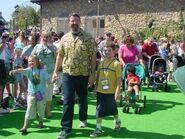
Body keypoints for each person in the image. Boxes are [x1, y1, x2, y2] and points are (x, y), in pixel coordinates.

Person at [52, 13, 96, 139]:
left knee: (82, 99)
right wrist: (55, 71)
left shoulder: (88, 37)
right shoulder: (64, 38)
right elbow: (60, 55)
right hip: (68, 74)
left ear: (80, 22)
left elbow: (93, 57)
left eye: (76, 21)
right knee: (67, 101)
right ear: (69, 22)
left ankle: (83, 118)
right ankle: (66, 129)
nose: (74, 23)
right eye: (72, 21)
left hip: (83, 74)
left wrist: (92, 74)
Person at [90, 40, 122, 138]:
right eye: (105, 50)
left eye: (109, 50)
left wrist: (117, 92)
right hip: (100, 91)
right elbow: (98, 76)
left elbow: (119, 80)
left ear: (114, 51)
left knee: (113, 109)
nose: (107, 52)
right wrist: (95, 88)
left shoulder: (116, 64)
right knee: (99, 109)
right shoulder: (102, 62)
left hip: (111, 92)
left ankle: (117, 121)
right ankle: (98, 129)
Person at [9, 55, 49, 133]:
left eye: (32, 61)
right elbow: (22, 70)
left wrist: (52, 80)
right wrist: (14, 71)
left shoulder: (43, 71)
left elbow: (48, 80)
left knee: (41, 109)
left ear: (37, 62)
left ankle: (40, 121)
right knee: (29, 109)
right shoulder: (29, 70)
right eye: (29, 61)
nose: (31, 62)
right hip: (31, 94)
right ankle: (25, 126)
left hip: (40, 94)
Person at [31, 31, 57, 118]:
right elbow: (31, 58)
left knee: (49, 93)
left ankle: (48, 110)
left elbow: (57, 60)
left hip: (49, 73)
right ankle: (39, 110)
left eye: (47, 37)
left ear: (50, 38)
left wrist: (55, 73)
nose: (46, 39)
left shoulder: (53, 48)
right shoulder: (37, 47)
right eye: (44, 37)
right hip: (38, 73)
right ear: (41, 37)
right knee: (38, 92)